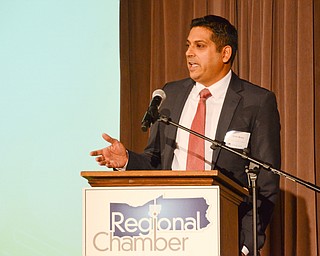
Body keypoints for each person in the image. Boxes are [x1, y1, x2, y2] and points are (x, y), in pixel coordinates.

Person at [90, 15, 281, 256]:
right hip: (169, 229)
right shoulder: (171, 94)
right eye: (188, 45)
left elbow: (266, 181)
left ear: (225, 54)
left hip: (224, 230)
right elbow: (155, 160)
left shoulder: (257, 102)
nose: (189, 53)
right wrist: (127, 160)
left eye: (199, 46)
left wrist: (246, 244)